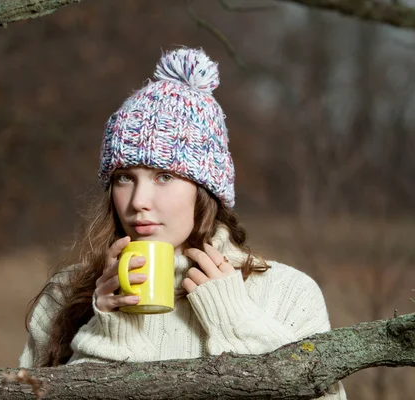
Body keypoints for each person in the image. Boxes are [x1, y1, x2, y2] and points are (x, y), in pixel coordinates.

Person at [19, 47, 346, 399]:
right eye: (124, 177)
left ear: (205, 189)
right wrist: (108, 332)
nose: (139, 201)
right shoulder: (66, 295)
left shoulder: (287, 295)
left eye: (164, 176)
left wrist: (237, 323)